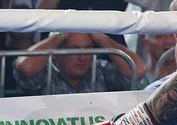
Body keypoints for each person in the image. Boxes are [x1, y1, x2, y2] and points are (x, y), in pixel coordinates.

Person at [16, 31, 145, 95]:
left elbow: (138, 70)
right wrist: (60, 35)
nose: (83, 57)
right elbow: (25, 67)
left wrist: (101, 38)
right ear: (56, 53)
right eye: (74, 50)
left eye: (88, 48)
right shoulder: (46, 72)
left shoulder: (99, 69)